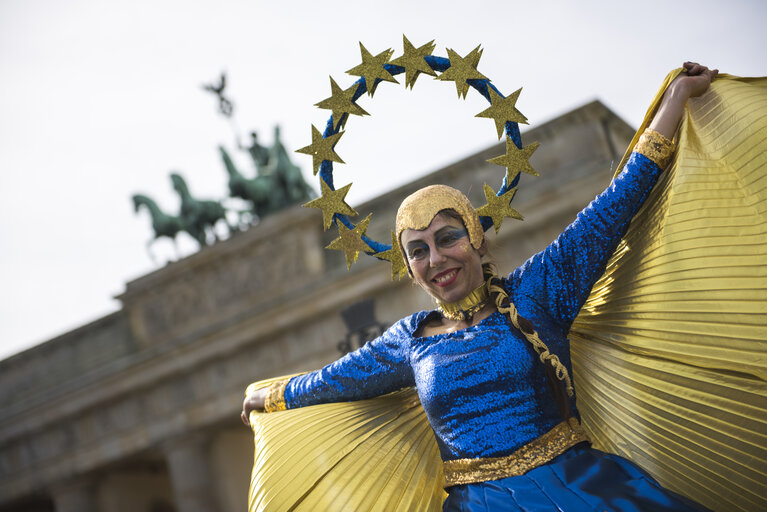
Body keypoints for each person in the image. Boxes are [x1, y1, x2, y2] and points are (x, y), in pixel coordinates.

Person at [241, 62, 718, 511]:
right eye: (419, 250)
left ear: (476, 239)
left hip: (583, 492)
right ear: (409, 269)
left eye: (447, 238)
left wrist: (676, 96)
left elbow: (614, 206)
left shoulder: (537, 290)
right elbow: (331, 381)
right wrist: (271, 396)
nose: (437, 258)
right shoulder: (408, 341)